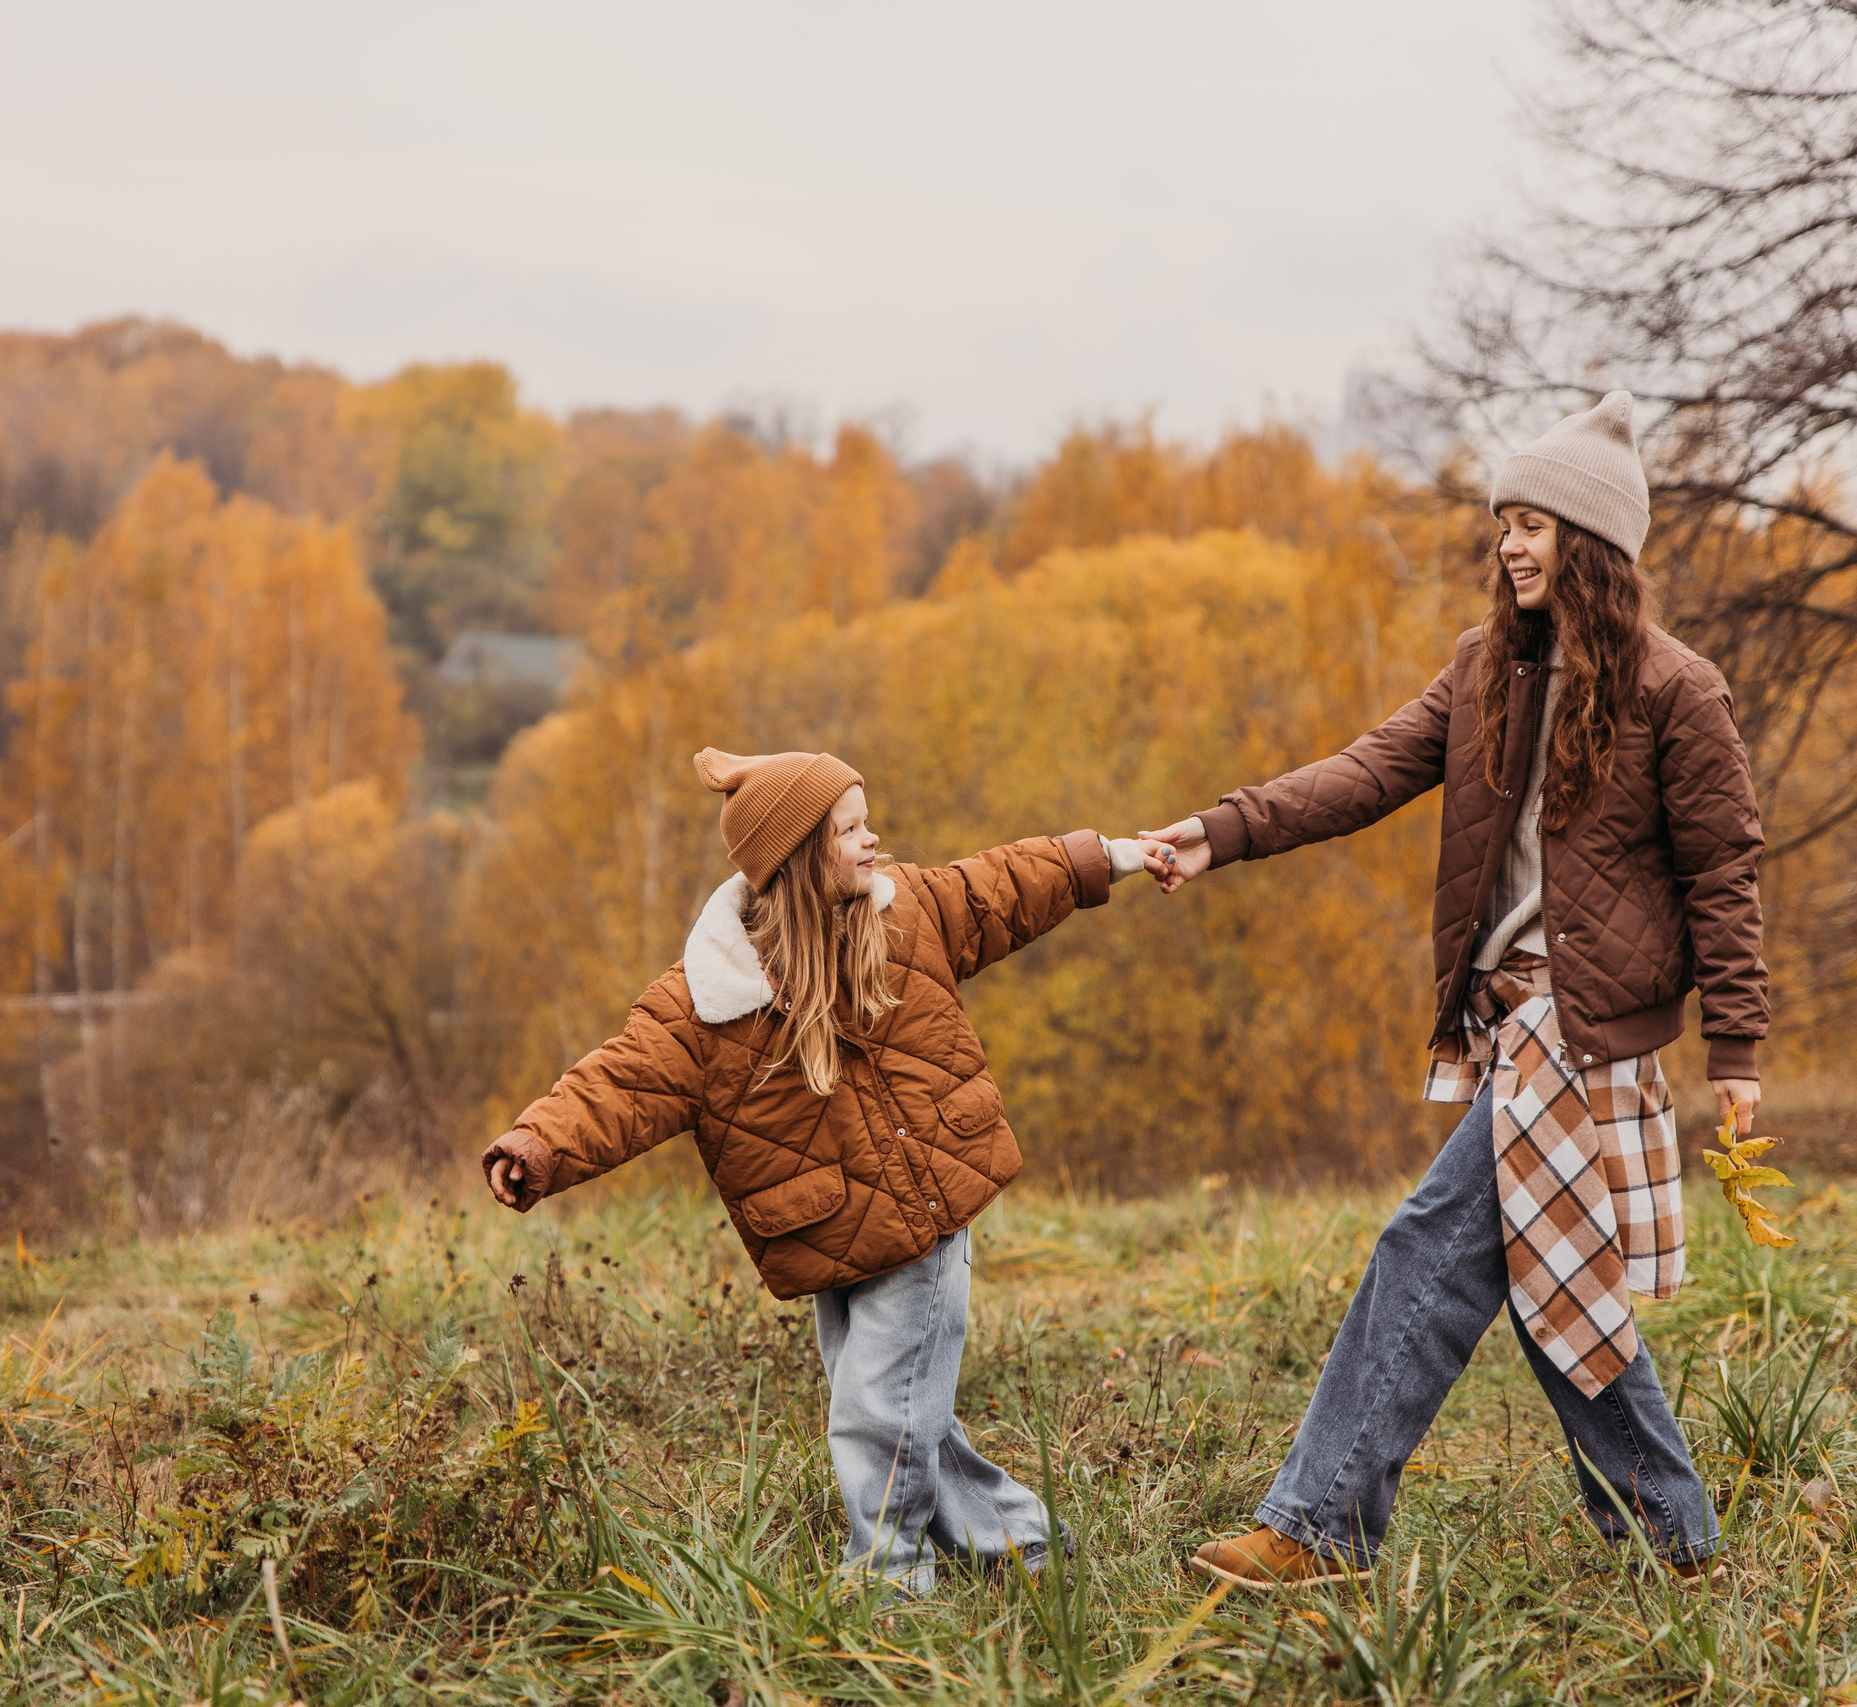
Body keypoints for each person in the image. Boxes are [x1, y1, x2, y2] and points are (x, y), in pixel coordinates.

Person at [1143, 392, 1766, 1588]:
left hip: (1578, 1037)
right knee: (1553, 1276)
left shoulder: (1677, 691)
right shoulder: (1487, 669)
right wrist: (1221, 832)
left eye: (1533, 524)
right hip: (1504, 1024)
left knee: (1426, 1246)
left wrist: (1736, 1049)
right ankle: (1673, 1542)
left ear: (1591, 544)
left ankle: (1319, 1526)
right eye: (1502, 524)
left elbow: (1723, 873)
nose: (1510, 545)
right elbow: (1367, 770)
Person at [480, 746, 1157, 1595]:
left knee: (879, 1412)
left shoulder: (904, 913)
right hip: (824, 1228)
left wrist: (1114, 856)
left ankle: (889, 1582)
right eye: (849, 829)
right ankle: (1022, 1544)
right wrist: (538, 1144)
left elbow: (1004, 884)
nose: (873, 840)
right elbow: (621, 1079)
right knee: (905, 1410)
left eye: (866, 820)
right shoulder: (707, 997)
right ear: (799, 859)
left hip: (924, 1208)